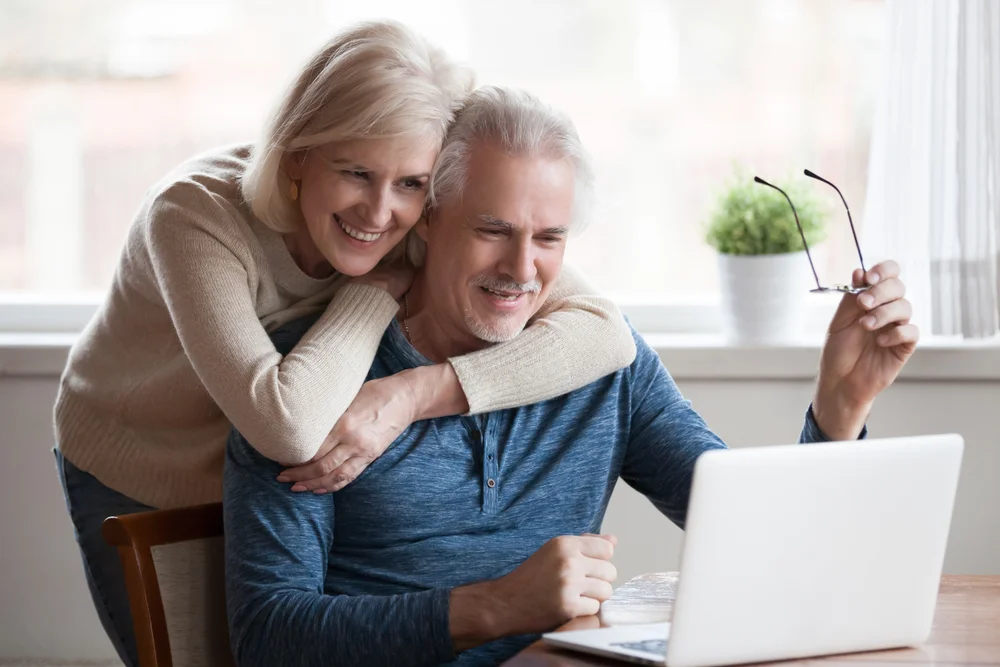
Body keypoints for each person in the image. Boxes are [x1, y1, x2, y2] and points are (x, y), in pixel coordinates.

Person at [223, 86, 918, 667]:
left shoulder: (603, 365)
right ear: (429, 218)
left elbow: (760, 540)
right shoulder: (313, 382)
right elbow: (269, 634)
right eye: (493, 229)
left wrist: (839, 408)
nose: (523, 269)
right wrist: (494, 604)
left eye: (549, 237)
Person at [53, 22, 638, 667]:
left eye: (412, 183)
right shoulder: (192, 215)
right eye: (356, 172)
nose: (380, 213)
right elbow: (286, 427)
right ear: (298, 155)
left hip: (268, 463)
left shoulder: (414, 210)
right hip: (143, 458)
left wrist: (415, 392)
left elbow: (606, 332)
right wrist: (373, 291)